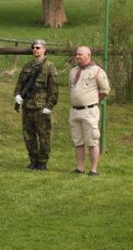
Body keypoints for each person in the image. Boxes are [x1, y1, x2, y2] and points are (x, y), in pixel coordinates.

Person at [14, 39, 59, 171]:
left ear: (44, 49)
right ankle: (33, 160)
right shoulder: (27, 66)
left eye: (38, 47)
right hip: (27, 106)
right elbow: (20, 84)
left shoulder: (50, 67)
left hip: (41, 107)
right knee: (28, 136)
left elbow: (54, 89)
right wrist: (17, 95)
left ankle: (42, 161)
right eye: (33, 47)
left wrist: (49, 106)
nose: (35, 49)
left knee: (44, 136)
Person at [69, 45, 110, 177]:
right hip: (74, 111)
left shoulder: (97, 71)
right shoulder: (73, 71)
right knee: (78, 141)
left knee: (92, 141)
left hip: (89, 111)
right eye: (77, 54)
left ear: (89, 55)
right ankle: (79, 167)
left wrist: (93, 101)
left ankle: (93, 170)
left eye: (80, 54)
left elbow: (105, 90)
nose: (77, 56)